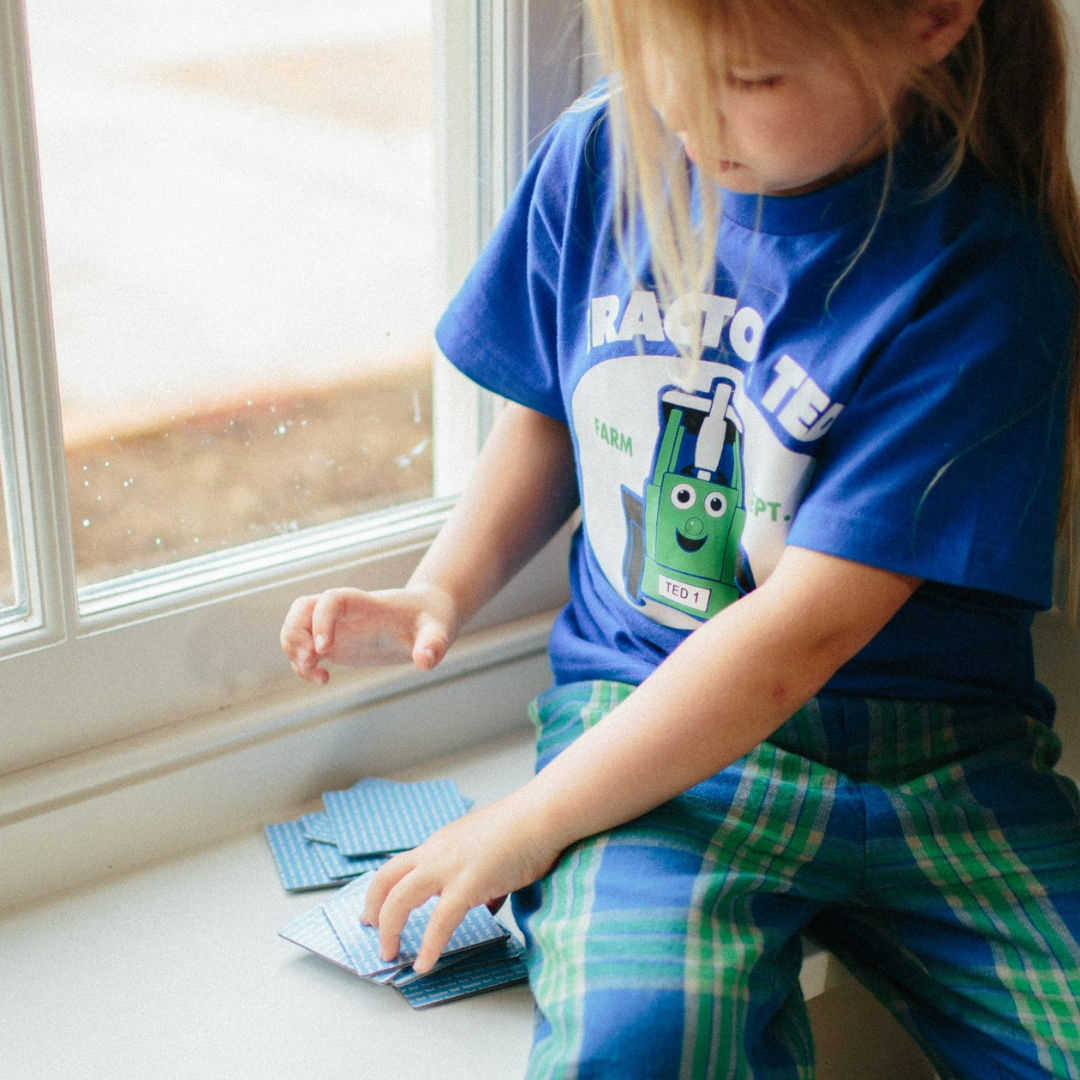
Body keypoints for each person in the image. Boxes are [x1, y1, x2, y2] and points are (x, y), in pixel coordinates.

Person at [280, 0, 1080, 1075]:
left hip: (932, 759)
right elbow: (558, 407)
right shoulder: (605, 155)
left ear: (932, 21)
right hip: (644, 739)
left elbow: (800, 636)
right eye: (655, 57)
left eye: (747, 80)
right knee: (635, 1047)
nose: (686, 113)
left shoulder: (980, 276)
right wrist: (442, 589)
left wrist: (530, 820)